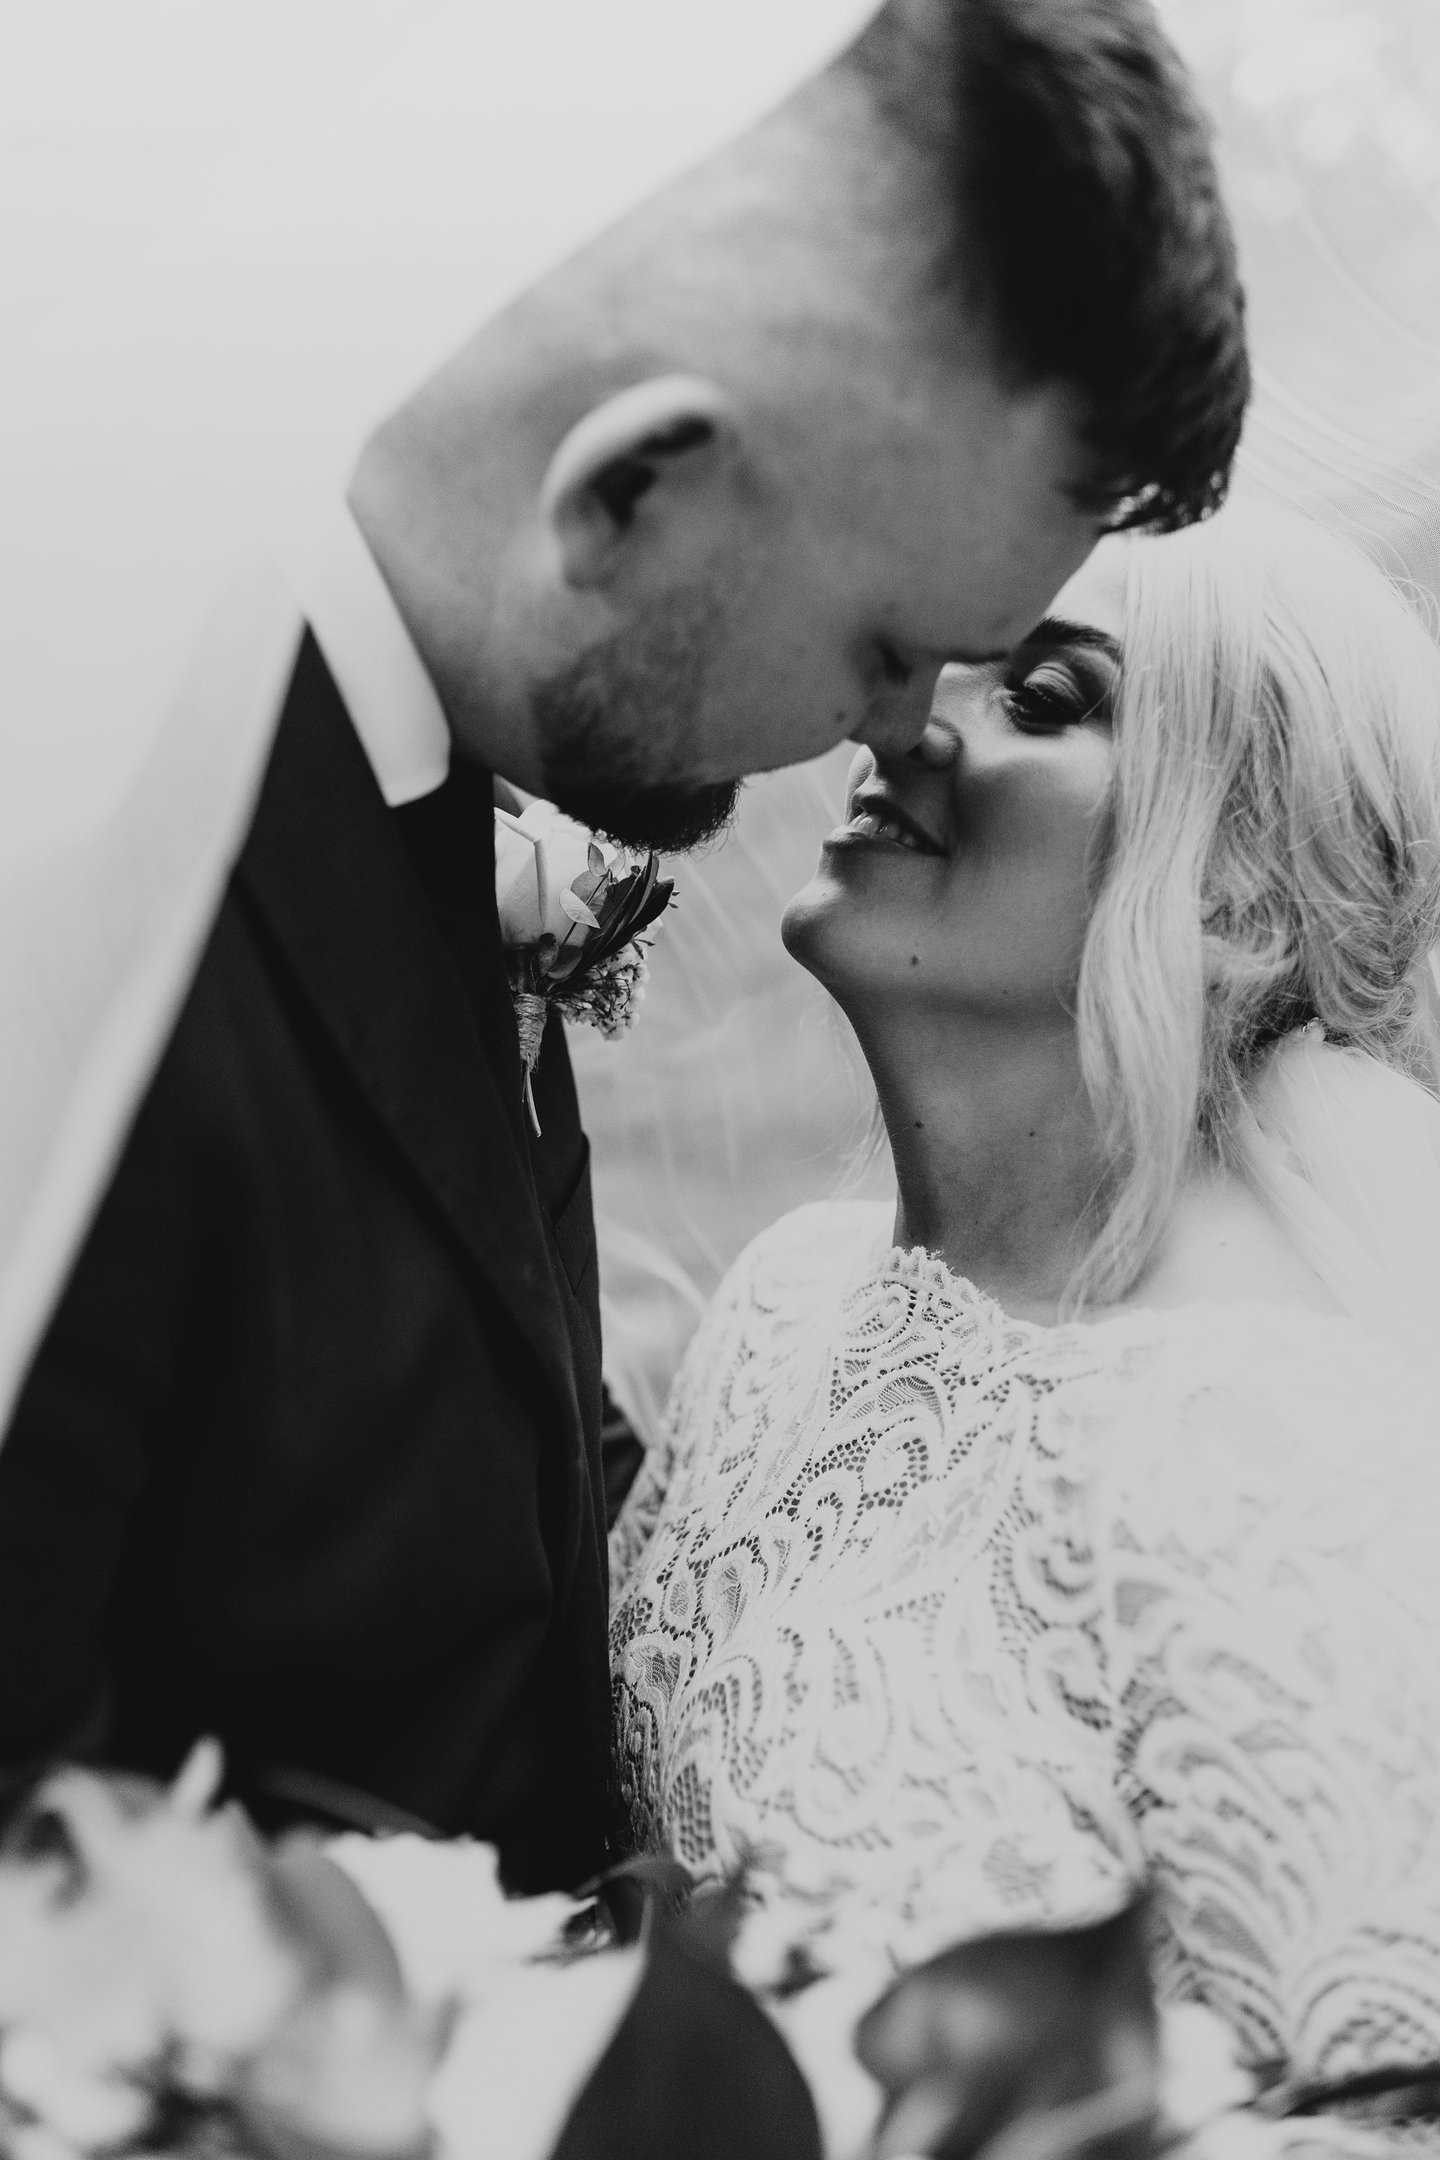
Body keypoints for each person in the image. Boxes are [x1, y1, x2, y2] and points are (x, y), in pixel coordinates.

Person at [0, 0, 1246, 1894]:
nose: (907, 724)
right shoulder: (92, 822)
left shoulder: (413, 805)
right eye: (894, 640)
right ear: (630, 493)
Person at [608, 505, 1440, 2146]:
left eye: (1049, 698)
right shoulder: (778, 1308)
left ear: (1246, 904)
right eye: (944, 662)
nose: (904, 717)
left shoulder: (1266, 1455)